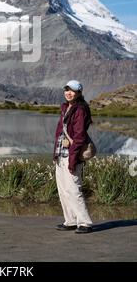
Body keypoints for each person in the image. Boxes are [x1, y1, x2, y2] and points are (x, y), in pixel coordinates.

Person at [53, 80, 93, 234]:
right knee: (63, 190)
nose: (68, 93)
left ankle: (85, 223)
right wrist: (55, 154)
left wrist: (72, 160)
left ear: (79, 93)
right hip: (60, 154)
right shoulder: (65, 107)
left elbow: (79, 137)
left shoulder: (81, 110)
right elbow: (59, 132)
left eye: (72, 91)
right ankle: (70, 221)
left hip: (72, 156)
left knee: (74, 189)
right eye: (67, 90)